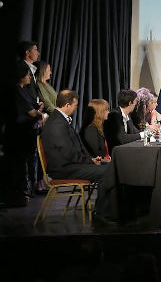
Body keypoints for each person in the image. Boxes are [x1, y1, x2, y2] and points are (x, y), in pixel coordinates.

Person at [39, 90, 107, 183]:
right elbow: (68, 153)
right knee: (108, 171)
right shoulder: (56, 123)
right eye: (76, 105)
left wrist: (91, 159)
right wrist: (90, 161)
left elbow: (75, 148)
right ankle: (104, 198)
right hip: (64, 169)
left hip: (71, 165)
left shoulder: (60, 120)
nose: (76, 108)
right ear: (67, 105)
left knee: (111, 167)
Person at [3, 62, 44, 205]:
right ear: (21, 76)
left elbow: (33, 107)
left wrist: (38, 110)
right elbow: (31, 112)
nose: (29, 77)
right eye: (27, 75)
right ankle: (20, 195)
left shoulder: (23, 90)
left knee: (23, 164)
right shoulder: (16, 91)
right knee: (18, 165)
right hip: (18, 135)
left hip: (25, 134)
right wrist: (39, 114)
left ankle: (25, 192)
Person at [105, 89, 156, 154]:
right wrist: (142, 134)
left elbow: (134, 131)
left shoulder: (127, 115)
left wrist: (147, 133)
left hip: (125, 149)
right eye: (135, 102)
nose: (136, 105)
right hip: (116, 152)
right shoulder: (114, 115)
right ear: (130, 103)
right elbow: (122, 138)